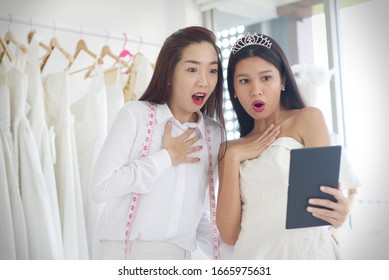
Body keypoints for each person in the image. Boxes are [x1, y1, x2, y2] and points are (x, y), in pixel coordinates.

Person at [90, 26, 230, 260]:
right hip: (124, 256)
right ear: (169, 72)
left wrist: (241, 255)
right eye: (192, 69)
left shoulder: (214, 134)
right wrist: (165, 157)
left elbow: (201, 216)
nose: (204, 82)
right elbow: (100, 188)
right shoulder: (136, 116)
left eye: (212, 71)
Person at [216, 33, 358, 259]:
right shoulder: (229, 150)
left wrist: (338, 214)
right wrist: (234, 156)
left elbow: (324, 205)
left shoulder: (307, 119)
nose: (256, 90)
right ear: (233, 88)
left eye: (265, 78)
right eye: (244, 81)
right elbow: (230, 235)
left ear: (282, 80)